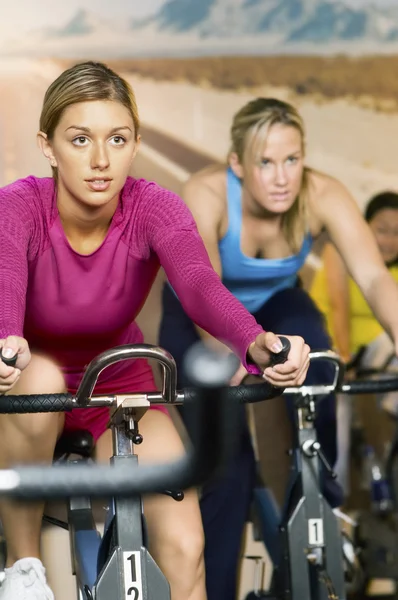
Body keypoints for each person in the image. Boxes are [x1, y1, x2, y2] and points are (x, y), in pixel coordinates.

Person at [0, 65, 310, 600]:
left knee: (186, 543)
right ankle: (24, 569)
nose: (101, 160)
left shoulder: (154, 207)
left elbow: (199, 286)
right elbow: (4, 281)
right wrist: (5, 341)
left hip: (118, 380)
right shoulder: (19, 206)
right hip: (29, 381)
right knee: (39, 369)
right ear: (48, 147)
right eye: (80, 140)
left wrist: (257, 342)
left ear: (135, 144)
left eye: (117, 140)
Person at [158, 97, 398, 600]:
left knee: (314, 352)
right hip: (200, 316)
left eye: (292, 160)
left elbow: (375, 277)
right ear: (237, 164)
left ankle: (323, 502)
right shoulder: (205, 193)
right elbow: (203, 287)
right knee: (228, 466)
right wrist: (232, 357)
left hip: (276, 310)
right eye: (265, 163)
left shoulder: (322, 193)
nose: (282, 177)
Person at [311, 192, 398, 492]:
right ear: (364, 227)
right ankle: (335, 497)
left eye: (397, 233)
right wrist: (344, 358)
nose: (388, 241)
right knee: (336, 420)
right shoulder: (341, 251)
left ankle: (381, 453)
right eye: (382, 230)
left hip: (375, 351)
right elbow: (338, 306)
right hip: (332, 344)